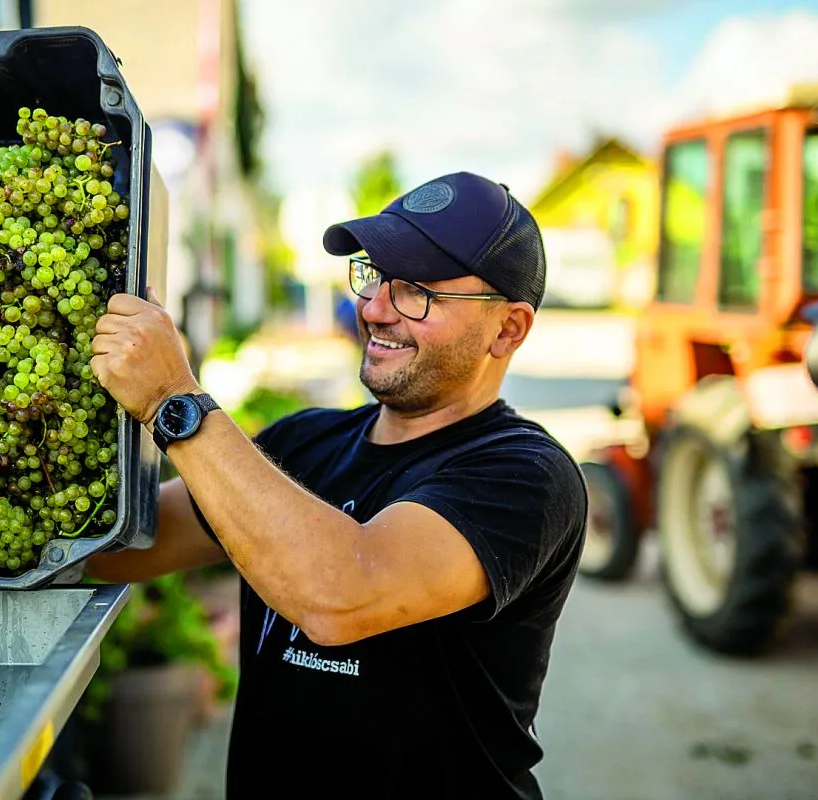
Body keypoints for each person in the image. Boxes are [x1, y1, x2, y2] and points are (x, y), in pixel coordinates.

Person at [85, 171, 588, 800]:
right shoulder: (301, 446)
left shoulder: (527, 476)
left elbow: (339, 594)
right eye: (374, 275)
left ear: (508, 329)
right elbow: (115, 547)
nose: (375, 308)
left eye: (417, 292)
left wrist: (173, 399)